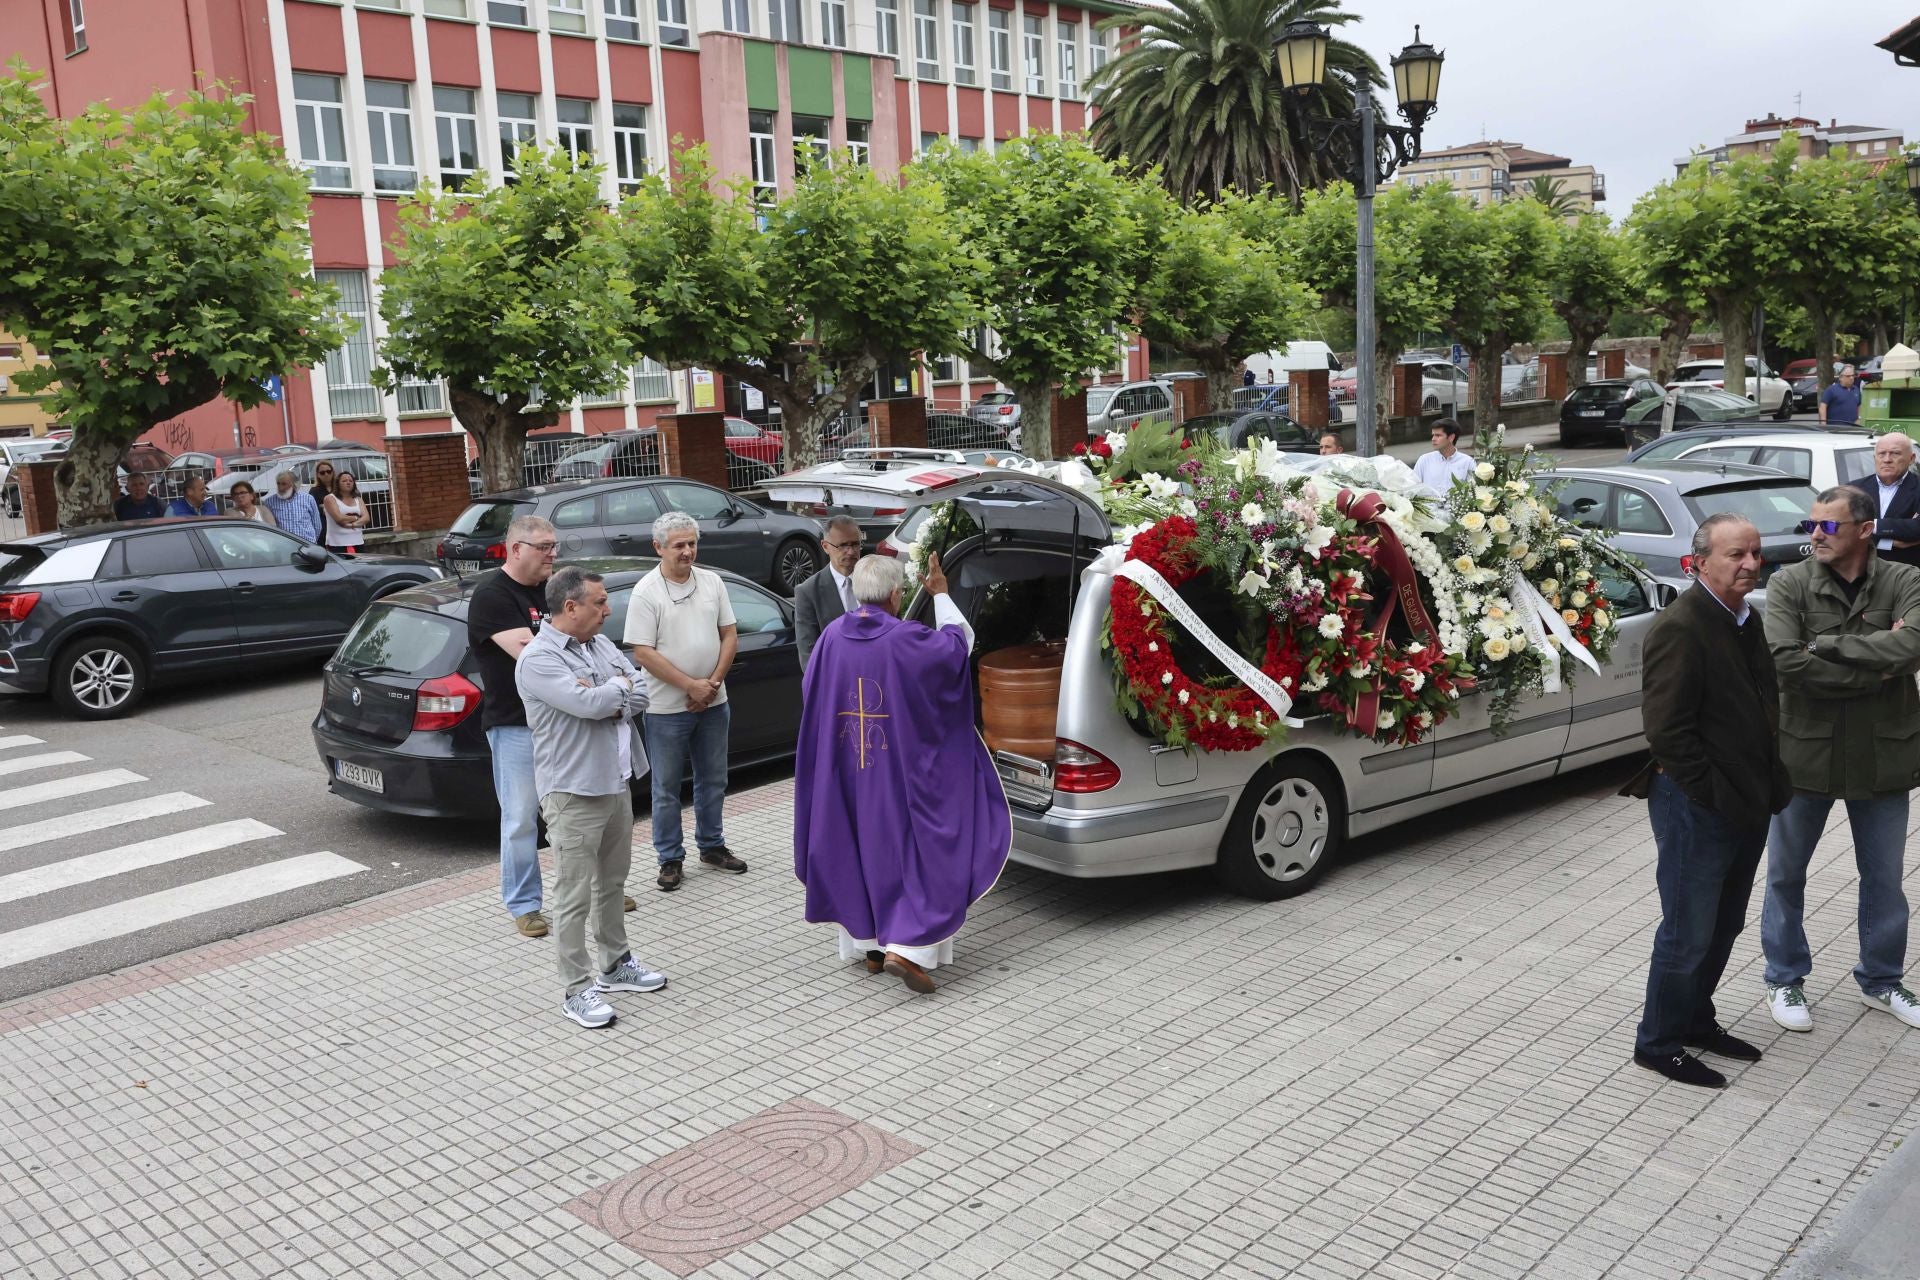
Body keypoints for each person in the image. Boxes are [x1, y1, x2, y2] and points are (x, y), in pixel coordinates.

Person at [1625, 514, 1793, 1088]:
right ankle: (1659, 1042)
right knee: (1687, 929)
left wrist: (1769, 781)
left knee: (1724, 924)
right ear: (1699, 562)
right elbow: (1668, 732)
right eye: (1736, 555)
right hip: (1699, 804)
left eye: (1755, 553)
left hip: (1745, 800)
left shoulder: (1747, 617)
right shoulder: (1682, 625)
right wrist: (1714, 793)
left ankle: (1696, 1020)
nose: (1750, 564)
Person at [794, 552, 1010, 995]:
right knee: (914, 851)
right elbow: (954, 650)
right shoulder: (906, 638)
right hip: (899, 772)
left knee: (858, 849)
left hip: (848, 771)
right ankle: (906, 948)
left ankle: (870, 947)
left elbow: (811, 694)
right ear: (897, 594)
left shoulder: (832, 636)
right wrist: (942, 595)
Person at [1760, 485, 1920, 1034]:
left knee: (1884, 878)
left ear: (1865, 529)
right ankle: (1784, 976)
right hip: (1804, 752)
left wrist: (1826, 647)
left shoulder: (1907, 580)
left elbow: (1915, 647)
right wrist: (1878, 668)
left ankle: (1881, 981)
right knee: (1786, 873)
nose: (1816, 536)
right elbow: (1783, 661)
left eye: (1828, 526)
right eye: (1811, 526)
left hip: (1882, 753)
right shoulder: (1788, 583)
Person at [515, 565, 666, 1030]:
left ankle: (615, 963)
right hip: (572, 791)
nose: (608, 609)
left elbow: (640, 692)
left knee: (613, 884)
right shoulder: (539, 658)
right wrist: (611, 691)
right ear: (570, 607)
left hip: (615, 780)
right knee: (573, 895)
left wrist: (611, 690)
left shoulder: (599, 645)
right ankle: (576, 989)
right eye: (599, 603)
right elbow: (588, 704)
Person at [625, 511, 749, 891]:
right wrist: (689, 687)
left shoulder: (712, 582)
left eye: (692, 543)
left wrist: (710, 684)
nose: (687, 551)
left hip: (714, 700)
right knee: (665, 788)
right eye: (678, 545)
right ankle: (669, 858)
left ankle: (711, 846)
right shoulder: (646, 591)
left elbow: (729, 636)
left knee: (713, 779)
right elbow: (643, 652)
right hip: (666, 709)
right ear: (658, 547)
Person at [469, 516, 558, 937]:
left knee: (572, 811)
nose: (552, 553)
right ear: (515, 548)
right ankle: (525, 904)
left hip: (560, 723)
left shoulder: (552, 590)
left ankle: (594, 890)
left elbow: (585, 636)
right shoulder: (492, 595)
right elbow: (535, 656)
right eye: (543, 546)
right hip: (515, 725)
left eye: (554, 545)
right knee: (522, 817)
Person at [794, 515, 864, 670]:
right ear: (825, 546)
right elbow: (809, 657)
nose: (851, 551)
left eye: (855, 544)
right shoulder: (808, 592)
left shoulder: (874, 580)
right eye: (843, 545)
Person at [1848, 431, 1920, 569]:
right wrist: (1888, 542)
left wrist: (1870, 526)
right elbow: (1844, 528)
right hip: (1861, 571)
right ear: (1875, 457)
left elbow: (1917, 528)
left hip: (1908, 574)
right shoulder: (1852, 489)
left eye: (1895, 453)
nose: (1887, 459)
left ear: (1911, 459)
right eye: (1882, 454)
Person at [261, 469, 323, 543]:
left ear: (294, 485)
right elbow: (269, 527)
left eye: (284, 484)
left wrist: (311, 542)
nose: (280, 488)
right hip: (283, 545)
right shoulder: (270, 502)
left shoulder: (308, 499)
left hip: (307, 544)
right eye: (278, 483)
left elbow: (317, 525)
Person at [1411, 420, 1475, 491]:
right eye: (1433, 435)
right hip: (1428, 501)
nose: (1433, 439)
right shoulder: (1424, 460)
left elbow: (1474, 491)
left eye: (1438, 435)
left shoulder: (1468, 462)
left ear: (1451, 437)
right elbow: (1412, 488)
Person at [322, 472, 366, 556]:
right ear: (337, 483)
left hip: (358, 541)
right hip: (337, 543)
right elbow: (338, 518)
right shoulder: (330, 498)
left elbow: (366, 518)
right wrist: (356, 518)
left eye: (351, 480)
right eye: (344, 481)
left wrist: (351, 525)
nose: (348, 482)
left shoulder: (358, 499)